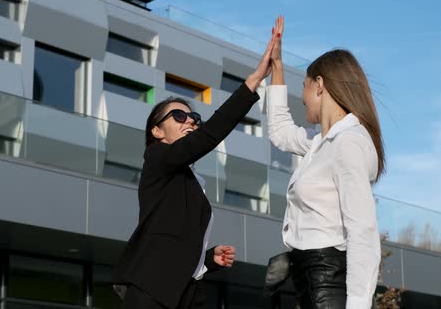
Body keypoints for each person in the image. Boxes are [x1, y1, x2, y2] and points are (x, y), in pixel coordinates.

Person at [112, 18, 284, 309]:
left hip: (184, 294)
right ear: (157, 131)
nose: (189, 120)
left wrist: (207, 259)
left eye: (193, 117)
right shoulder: (156, 158)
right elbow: (207, 137)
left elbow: (175, 241)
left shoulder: (189, 179)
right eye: (178, 116)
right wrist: (254, 81)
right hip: (151, 291)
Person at [267, 17, 384, 309]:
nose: (302, 98)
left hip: (327, 286)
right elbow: (280, 133)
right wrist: (277, 68)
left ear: (319, 85)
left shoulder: (348, 143)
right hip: (311, 282)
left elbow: (363, 230)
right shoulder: (321, 142)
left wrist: (357, 305)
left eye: (303, 87)